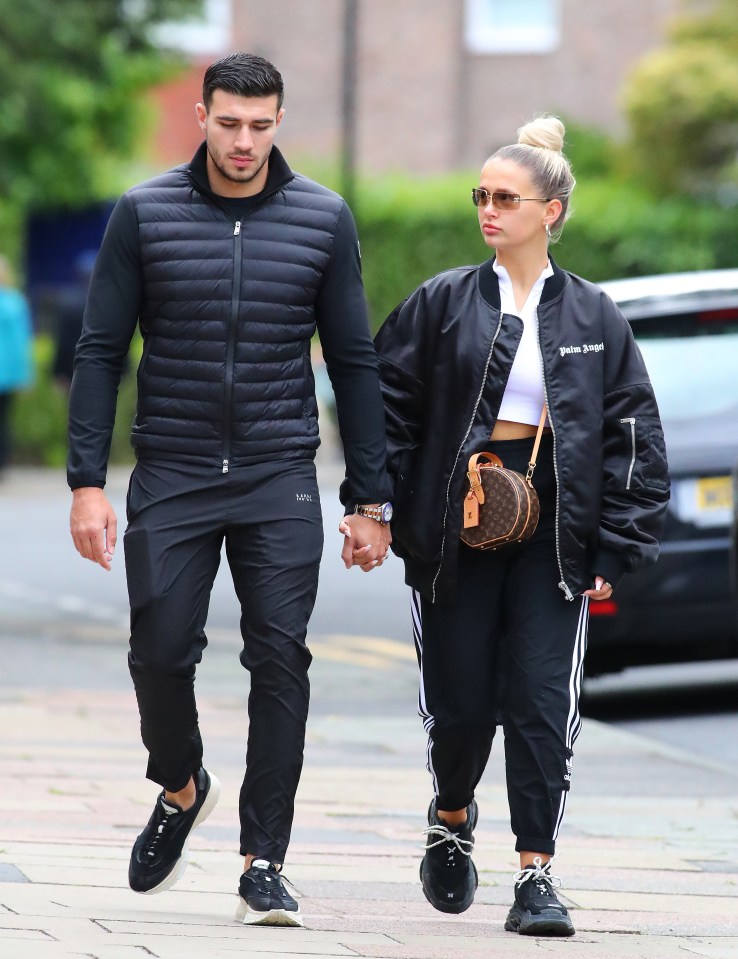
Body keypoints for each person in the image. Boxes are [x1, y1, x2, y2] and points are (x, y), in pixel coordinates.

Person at [67, 52, 392, 927]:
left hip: (278, 473)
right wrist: (85, 483)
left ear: (277, 122)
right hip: (171, 470)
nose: (243, 141)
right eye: (228, 123)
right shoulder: (145, 212)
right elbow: (101, 352)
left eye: (260, 125)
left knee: (280, 656)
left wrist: (371, 500)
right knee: (160, 649)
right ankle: (180, 786)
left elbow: (355, 364)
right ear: (202, 118)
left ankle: (264, 859)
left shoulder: (322, 219)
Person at [373, 116, 669, 937]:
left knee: (542, 702)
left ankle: (536, 873)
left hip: (555, 531)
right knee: (463, 702)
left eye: (507, 198)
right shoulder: (440, 302)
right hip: (456, 525)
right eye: (481, 195)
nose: (489, 210)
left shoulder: (594, 317)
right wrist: (381, 506)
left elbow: (632, 430)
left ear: (553, 211)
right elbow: (387, 408)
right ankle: (452, 813)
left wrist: (619, 539)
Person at [0, 255, 33, 474]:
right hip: (8, 373)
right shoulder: (16, 302)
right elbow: (23, 341)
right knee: (4, 420)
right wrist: (25, 375)